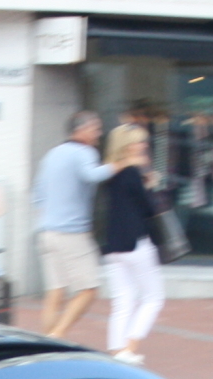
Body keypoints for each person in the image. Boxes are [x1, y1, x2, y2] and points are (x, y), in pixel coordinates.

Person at [34, 111, 114, 337]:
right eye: (96, 129)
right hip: (72, 233)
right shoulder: (84, 152)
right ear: (83, 130)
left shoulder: (53, 154)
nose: (99, 134)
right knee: (88, 289)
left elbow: (38, 195)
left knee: (55, 292)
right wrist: (119, 164)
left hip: (47, 232)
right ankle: (55, 337)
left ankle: (45, 346)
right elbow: (92, 175)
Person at [98, 133, 169, 363]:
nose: (144, 145)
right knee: (153, 297)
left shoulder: (111, 173)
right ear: (128, 146)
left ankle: (116, 349)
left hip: (113, 244)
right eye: (139, 141)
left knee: (123, 298)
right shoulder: (133, 173)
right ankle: (130, 347)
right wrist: (151, 185)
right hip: (136, 242)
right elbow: (148, 208)